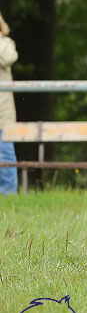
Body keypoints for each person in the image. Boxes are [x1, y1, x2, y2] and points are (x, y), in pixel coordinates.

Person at [0, 11, 18, 195]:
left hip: (2, 113)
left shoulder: (6, 44)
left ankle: (8, 194)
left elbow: (9, 58)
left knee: (5, 154)